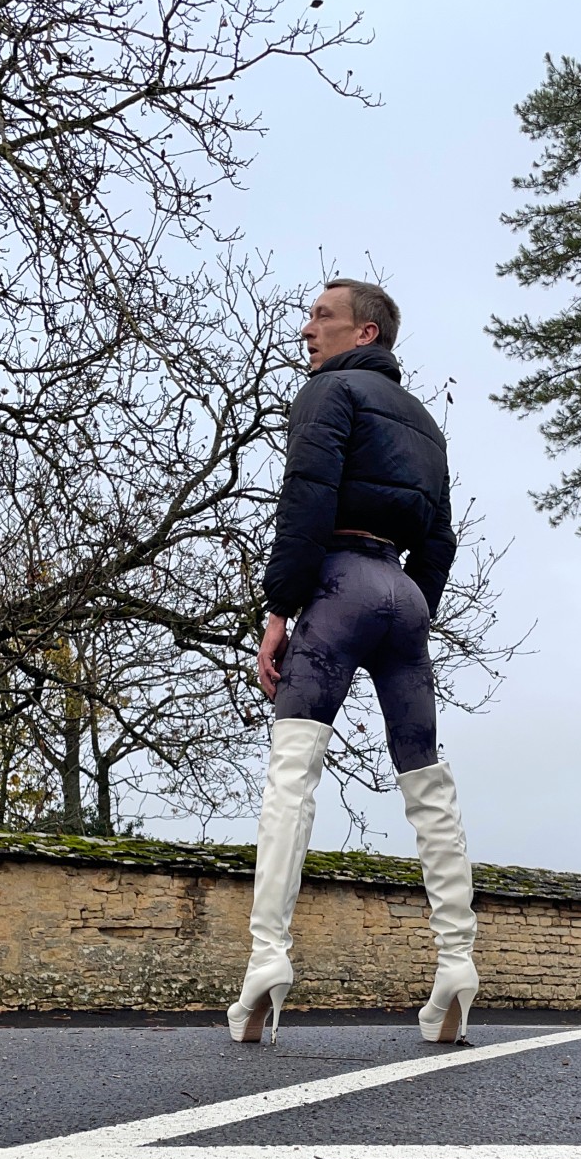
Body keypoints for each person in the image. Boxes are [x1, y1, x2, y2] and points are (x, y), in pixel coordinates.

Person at [226, 279, 478, 1045]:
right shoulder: (427, 424)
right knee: (428, 785)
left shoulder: (327, 393)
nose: (308, 329)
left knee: (293, 772)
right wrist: (414, 606)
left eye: (322, 316)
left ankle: (267, 959)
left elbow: (305, 499)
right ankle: (457, 965)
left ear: (364, 333)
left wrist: (279, 610)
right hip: (403, 593)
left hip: (337, 586)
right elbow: (441, 537)